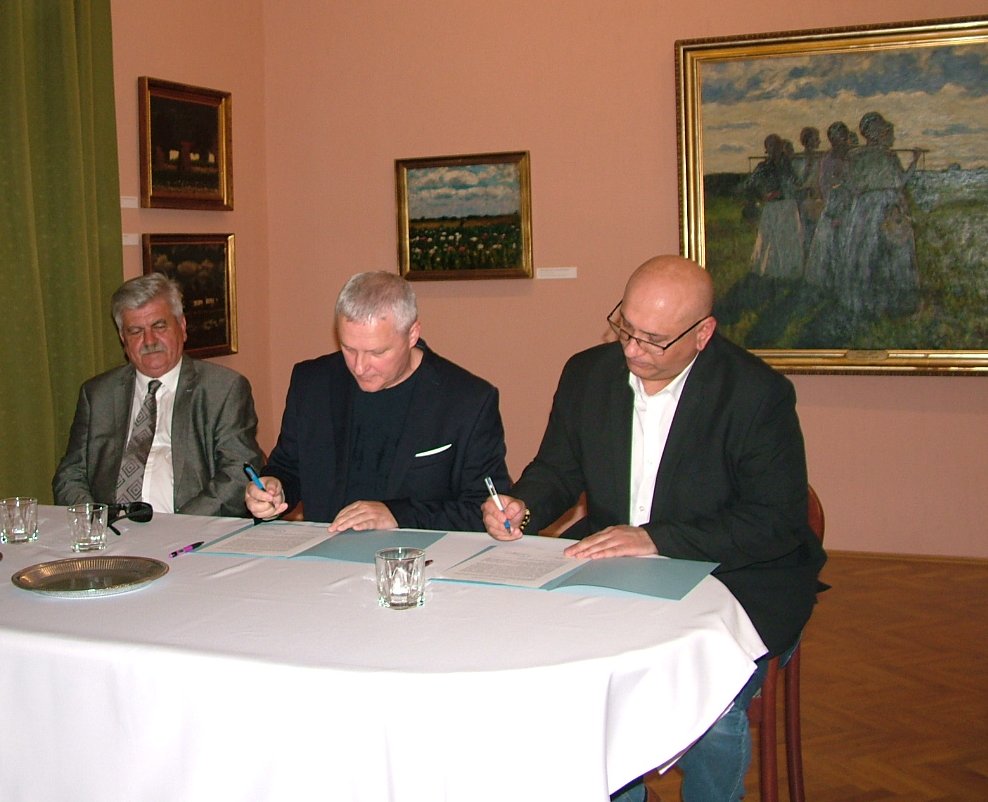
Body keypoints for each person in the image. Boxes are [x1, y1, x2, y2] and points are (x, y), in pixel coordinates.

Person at [481, 255, 826, 802]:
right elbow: (558, 469)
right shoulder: (587, 374)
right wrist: (523, 506)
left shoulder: (756, 394)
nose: (632, 349)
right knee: (565, 677)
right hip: (615, 567)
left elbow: (774, 522)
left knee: (711, 706)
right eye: (626, 327)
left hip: (734, 574)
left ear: (702, 334)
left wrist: (655, 538)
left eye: (654, 340)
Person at [245, 271, 509, 532]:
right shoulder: (312, 383)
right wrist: (273, 488)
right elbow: (288, 467)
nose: (360, 367)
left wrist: (398, 515)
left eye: (377, 352)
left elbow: (483, 509)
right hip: (324, 553)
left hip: (421, 555)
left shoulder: (467, 400)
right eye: (349, 349)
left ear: (412, 334)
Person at [53, 273, 264, 516]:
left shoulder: (223, 389)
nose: (149, 340)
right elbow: (70, 474)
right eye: (135, 331)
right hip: (112, 530)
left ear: (182, 327)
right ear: (123, 338)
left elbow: (238, 472)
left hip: (190, 528)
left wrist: (177, 527)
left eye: (159, 326)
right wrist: (95, 521)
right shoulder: (98, 394)